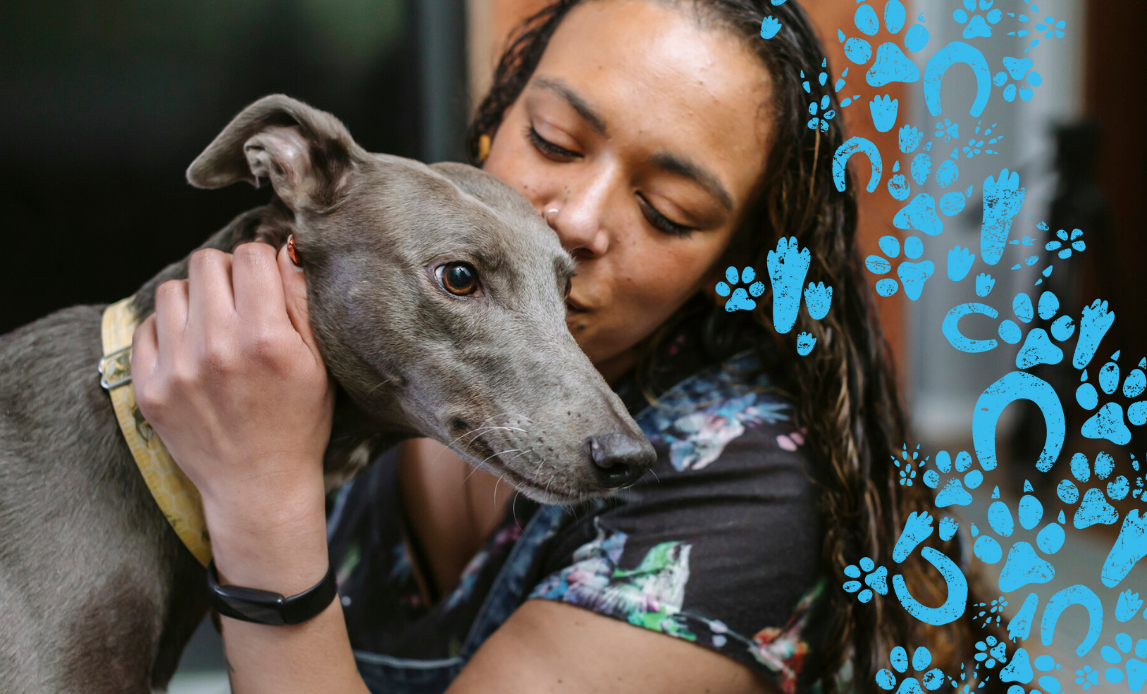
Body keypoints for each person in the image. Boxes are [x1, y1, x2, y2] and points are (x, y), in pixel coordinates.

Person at [130, 1, 972, 691]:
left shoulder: (752, 485)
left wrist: (262, 499)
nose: (572, 218)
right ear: (494, 124)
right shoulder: (364, 348)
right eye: (554, 141)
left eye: (666, 211)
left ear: (732, 265)